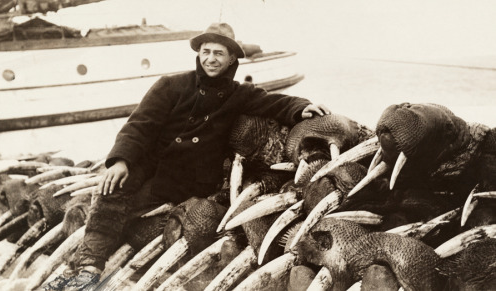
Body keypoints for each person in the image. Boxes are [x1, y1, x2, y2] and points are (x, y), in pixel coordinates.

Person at [44, 22, 329, 290]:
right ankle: (87, 269)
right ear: (198, 54)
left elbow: (275, 102)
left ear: (232, 59)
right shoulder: (171, 85)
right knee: (112, 191)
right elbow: (139, 125)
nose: (211, 59)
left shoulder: (239, 94)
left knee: (121, 210)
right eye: (206, 52)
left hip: (193, 180)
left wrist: (301, 108)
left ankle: (81, 269)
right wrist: (120, 160)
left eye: (219, 53)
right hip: (154, 167)